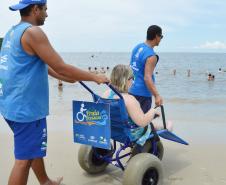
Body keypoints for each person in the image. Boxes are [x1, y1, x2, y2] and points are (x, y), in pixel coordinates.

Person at [0, 1, 109, 185]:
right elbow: (61, 66)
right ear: (35, 9)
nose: (47, 15)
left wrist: (70, 78)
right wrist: (95, 77)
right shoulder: (33, 32)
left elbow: (43, 66)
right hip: (26, 109)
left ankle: (45, 182)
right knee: (23, 161)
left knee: (31, 149)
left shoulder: (13, 32)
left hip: (10, 104)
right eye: (45, 10)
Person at [102, 65, 172, 131]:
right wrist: (153, 111)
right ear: (126, 81)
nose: (133, 81)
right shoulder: (129, 99)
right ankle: (167, 127)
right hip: (131, 133)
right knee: (169, 124)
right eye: (133, 78)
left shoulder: (106, 94)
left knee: (152, 124)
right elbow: (142, 122)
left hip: (113, 130)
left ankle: (162, 127)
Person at [129, 25, 163, 113]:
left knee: (133, 121)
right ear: (156, 36)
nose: (161, 39)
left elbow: (131, 68)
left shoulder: (137, 47)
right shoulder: (151, 56)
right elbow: (147, 77)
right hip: (143, 94)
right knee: (142, 123)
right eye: (161, 36)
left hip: (131, 90)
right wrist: (157, 96)